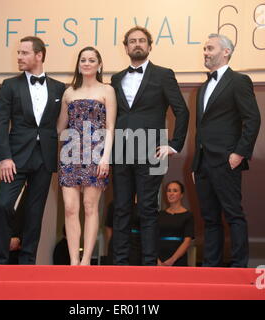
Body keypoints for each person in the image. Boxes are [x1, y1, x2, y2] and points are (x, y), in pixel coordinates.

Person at [110, 26, 189, 266]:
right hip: (121, 150)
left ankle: (148, 265)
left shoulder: (164, 75)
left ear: (149, 45)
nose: (137, 44)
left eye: (142, 41)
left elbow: (182, 111)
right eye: (132, 41)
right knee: (121, 208)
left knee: (147, 208)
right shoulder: (115, 79)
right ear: (126, 47)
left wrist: (174, 145)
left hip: (153, 150)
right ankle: (120, 264)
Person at [0, 36, 66, 264]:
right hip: (14, 158)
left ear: (39, 55)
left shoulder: (58, 88)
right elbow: (0, 123)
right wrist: (4, 157)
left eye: (24, 53)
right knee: (4, 205)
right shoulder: (9, 85)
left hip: (44, 158)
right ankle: (0, 261)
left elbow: (60, 123)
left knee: (35, 213)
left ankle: (27, 262)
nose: (19, 57)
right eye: (18, 53)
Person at [191, 34, 261, 268]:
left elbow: (253, 119)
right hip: (203, 163)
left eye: (210, 48)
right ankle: (211, 267)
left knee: (233, 214)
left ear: (226, 52)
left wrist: (239, 154)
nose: (205, 52)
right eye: (204, 48)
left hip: (226, 159)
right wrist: (194, 164)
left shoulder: (239, 81)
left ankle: (239, 266)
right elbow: (200, 129)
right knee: (209, 218)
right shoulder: (202, 88)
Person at [57, 46, 116, 265]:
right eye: (83, 60)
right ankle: (73, 261)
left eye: (92, 60)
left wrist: (105, 157)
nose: (87, 63)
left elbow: (110, 126)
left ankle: (86, 261)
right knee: (71, 208)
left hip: (96, 153)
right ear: (78, 64)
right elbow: (60, 127)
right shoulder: (69, 92)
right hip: (70, 153)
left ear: (99, 64)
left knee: (90, 207)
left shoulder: (107, 91)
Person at [158, 181, 194, 267]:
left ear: (181, 195)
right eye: (169, 190)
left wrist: (172, 260)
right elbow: (152, 238)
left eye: (175, 190)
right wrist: (156, 260)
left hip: (178, 260)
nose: (171, 193)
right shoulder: (160, 215)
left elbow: (187, 241)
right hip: (159, 260)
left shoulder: (188, 216)